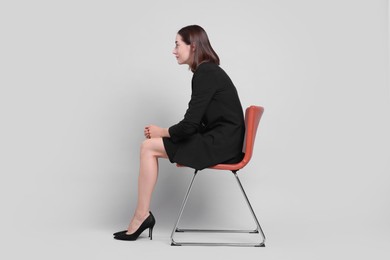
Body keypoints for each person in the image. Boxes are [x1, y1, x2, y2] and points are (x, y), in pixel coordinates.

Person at [113, 25, 245, 241]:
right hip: (223, 141)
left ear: (192, 46)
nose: (174, 50)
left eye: (177, 44)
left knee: (147, 147)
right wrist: (166, 134)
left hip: (220, 145)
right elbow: (196, 124)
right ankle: (141, 216)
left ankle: (141, 216)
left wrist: (161, 132)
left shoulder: (206, 73)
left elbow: (190, 125)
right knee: (150, 146)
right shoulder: (208, 71)